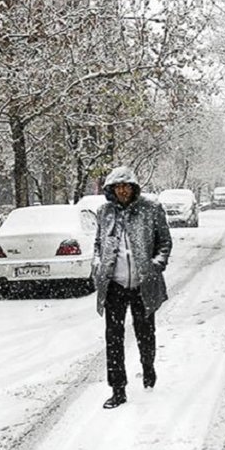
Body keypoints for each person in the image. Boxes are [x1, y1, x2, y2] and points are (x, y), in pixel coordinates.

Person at [91, 166, 173, 409]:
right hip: (114, 284)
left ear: (134, 188)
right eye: (118, 187)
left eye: (126, 186)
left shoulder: (151, 209)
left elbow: (165, 242)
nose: (122, 191)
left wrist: (155, 265)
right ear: (111, 190)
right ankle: (118, 389)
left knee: (145, 334)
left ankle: (148, 366)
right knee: (113, 338)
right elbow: (98, 243)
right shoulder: (104, 212)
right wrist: (97, 264)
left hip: (142, 284)